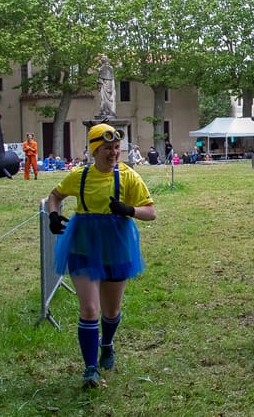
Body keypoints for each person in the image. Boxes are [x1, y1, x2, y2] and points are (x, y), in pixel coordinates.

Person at [46, 123, 156, 388]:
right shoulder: (79, 176)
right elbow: (55, 196)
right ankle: (90, 369)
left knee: (111, 310)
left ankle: (107, 343)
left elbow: (150, 212)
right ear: (94, 150)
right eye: (107, 148)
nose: (113, 153)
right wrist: (52, 215)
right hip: (82, 244)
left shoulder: (129, 176)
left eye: (116, 148)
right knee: (89, 309)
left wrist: (128, 210)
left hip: (116, 244)